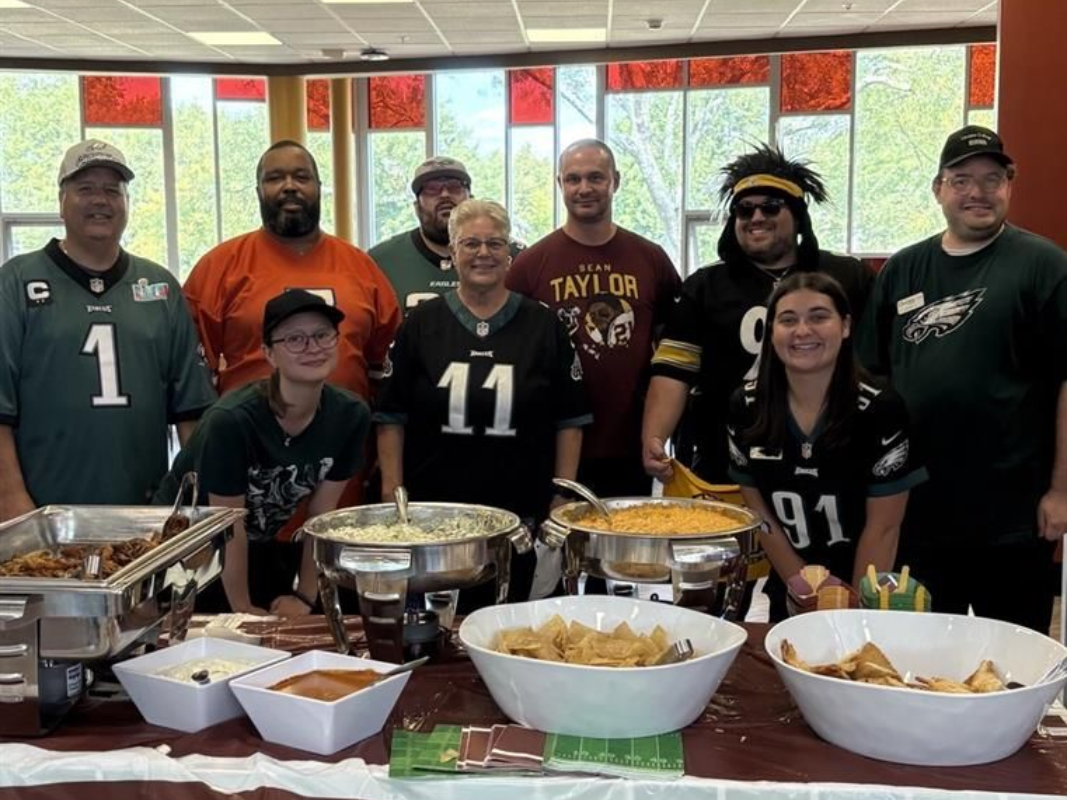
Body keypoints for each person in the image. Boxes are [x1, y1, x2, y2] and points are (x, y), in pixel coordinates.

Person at [858, 125, 1067, 632]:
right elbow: (870, 375)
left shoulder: (1043, 265)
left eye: (992, 178)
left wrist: (1060, 491)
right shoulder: (904, 270)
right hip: (917, 512)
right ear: (938, 189)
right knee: (924, 659)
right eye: (962, 179)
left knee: (1014, 662)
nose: (978, 192)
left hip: (1013, 516)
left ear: (1009, 185)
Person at [376, 199, 591, 603]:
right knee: (437, 622)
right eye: (470, 243)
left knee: (514, 623)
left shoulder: (543, 324)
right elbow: (391, 414)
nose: (483, 254)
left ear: (510, 253)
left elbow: (570, 418)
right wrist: (393, 490)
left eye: (495, 243)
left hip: (518, 510)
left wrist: (562, 494)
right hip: (434, 513)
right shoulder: (420, 324)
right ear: (452, 253)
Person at [0, 139, 215, 520]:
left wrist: (194, 507)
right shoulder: (15, 282)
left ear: (126, 203)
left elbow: (192, 412)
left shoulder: (159, 286)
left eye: (112, 190)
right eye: (85, 189)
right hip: (42, 511)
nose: (100, 200)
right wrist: (10, 498)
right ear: (61, 201)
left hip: (144, 511)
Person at [644, 144, 874, 485]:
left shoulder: (849, 278)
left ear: (798, 216)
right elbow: (673, 371)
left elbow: (875, 369)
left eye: (771, 207)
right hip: (727, 466)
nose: (756, 218)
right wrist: (654, 437)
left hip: (832, 463)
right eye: (744, 210)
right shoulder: (705, 287)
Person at [156, 290, 371, 617]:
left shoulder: (351, 415)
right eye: (295, 339)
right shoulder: (231, 420)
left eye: (322, 335)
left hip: (255, 543)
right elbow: (226, 525)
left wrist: (304, 597)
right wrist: (242, 609)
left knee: (289, 633)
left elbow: (321, 515)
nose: (312, 347)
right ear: (269, 354)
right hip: (184, 548)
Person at [728, 273, 926, 622]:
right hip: (792, 582)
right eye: (788, 320)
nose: (803, 331)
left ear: (846, 326)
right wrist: (801, 581)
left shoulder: (881, 409)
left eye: (819, 316)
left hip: (874, 582)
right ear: (771, 331)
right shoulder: (746, 406)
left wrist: (855, 608)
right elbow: (757, 512)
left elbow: (883, 527)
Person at [507, 139, 679, 499]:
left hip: (630, 444)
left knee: (625, 551)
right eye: (573, 179)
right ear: (560, 185)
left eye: (595, 178)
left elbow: (673, 355)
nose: (584, 189)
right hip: (553, 444)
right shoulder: (530, 264)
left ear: (615, 180)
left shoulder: (651, 259)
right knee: (555, 550)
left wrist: (660, 433)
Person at [184, 140, 400, 403]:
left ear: (319, 188)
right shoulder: (218, 267)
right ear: (259, 191)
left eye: (301, 177)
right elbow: (192, 377)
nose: (289, 186)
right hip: (249, 440)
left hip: (348, 440)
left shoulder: (362, 267)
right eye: (275, 178)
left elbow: (387, 369)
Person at [369, 156, 524, 315]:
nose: (444, 195)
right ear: (416, 206)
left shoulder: (517, 257)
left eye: (455, 187)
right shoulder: (381, 261)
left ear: (471, 199)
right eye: (431, 189)